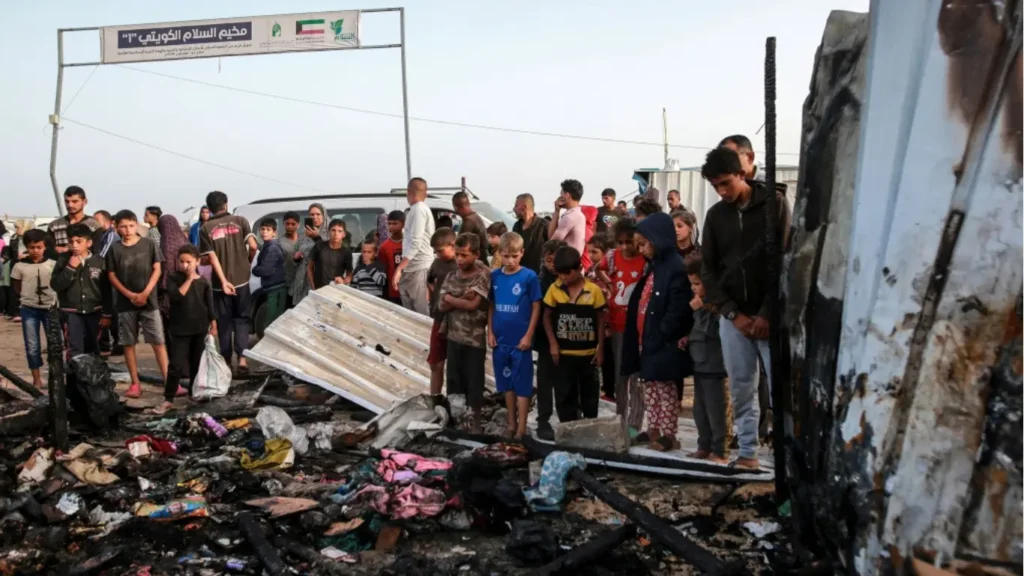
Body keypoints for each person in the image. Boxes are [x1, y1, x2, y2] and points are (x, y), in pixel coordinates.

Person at [700, 146, 790, 470]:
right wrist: (732, 314)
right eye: (716, 186)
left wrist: (767, 313)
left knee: (782, 389)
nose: (722, 192)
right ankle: (748, 453)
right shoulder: (715, 216)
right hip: (734, 318)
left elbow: (783, 261)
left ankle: (787, 458)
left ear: (742, 174)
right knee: (741, 387)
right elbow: (708, 270)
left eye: (726, 183)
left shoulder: (774, 206)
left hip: (772, 317)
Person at [622, 212, 692, 452]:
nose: (640, 249)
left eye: (643, 244)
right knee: (650, 386)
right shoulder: (655, 267)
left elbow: (677, 308)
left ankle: (669, 434)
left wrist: (662, 333)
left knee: (665, 389)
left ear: (658, 239)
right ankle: (654, 428)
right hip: (648, 338)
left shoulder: (675, 267)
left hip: (663, 341)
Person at [106, 210, 169, 398]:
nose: (127, 230)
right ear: (116, 227)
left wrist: (145, 292)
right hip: (125, 304)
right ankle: (135, 383)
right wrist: (129, 294)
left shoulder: (148, 244)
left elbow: (157, 268)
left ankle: (169, 381)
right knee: (128, 343)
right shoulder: (114, 249)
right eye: (123, 226)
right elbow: (111, 275)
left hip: (149, 302)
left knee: (158, 341)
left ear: (136, 225)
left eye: (131, 226)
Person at [542, 246, 606, 422]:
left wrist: (600, 348)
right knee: (564, 394)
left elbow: (601, 320)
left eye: (567, 273)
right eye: (559, 274)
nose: (563, 278)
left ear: (578, 269)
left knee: (590, 394)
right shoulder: (554, 290)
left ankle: (589, 427)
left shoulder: (593, 291)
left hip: (588, 355)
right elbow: (546, 317)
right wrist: (553, 343)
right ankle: (567, 429)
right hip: (563, 355)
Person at [488, 232, 542, 439]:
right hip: (500, 341)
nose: (510, 261)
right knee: (506, 384)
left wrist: (529, 335)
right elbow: (491, 305)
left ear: (522, 254)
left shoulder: (529, 277)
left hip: (520, 342)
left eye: (515, 256)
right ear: (499, 253)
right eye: (506, 256)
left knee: (522, 385)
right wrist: (490, 331)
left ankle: (521, 428)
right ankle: (511, 424)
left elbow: (537, 306)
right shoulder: (495, 277)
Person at [596, 217, 646, 434]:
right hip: (617, 323)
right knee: (620, 376)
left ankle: (634, 425)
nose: (625, 247)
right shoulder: (612, 257)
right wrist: (609, 285)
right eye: (620, 242)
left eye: (629, 242)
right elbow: (598, 269)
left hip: (639, 325)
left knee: (637, 377)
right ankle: (620, 420)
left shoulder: (645, 259)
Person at [199, 191, 258, 374]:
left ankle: (226, 361)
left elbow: (212, 258)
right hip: (242, 280)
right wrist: (247, 262)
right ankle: (242, 359)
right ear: (226, 204)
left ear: (209, 208)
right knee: (242, 320)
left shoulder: (206, 229)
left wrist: (224, 281)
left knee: (224, 322)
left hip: (220, 284)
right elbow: (254, 246)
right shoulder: (241, 221)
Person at [156, 245, 217, 415]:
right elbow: (176, 296)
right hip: (179, 329)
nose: (185, 265)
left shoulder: (204, 282)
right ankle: (168, 398)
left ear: (197, 261)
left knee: (196, 363)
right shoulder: (173, 278)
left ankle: (192, 393)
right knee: (176, 364)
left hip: (199, 328)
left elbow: (209, 305)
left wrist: (213, 323)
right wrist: (189, 279)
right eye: (181, 262)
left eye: (188, 262)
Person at [438, 233, 490, 431]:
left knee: (474, 383)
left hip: (474, 339)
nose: (459, 259)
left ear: (476, 255)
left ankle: (476, 424)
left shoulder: (482, 275)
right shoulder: (452, 275)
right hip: (453, 337)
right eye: (457, 255)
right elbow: (441, 306)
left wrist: (452, 299)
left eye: (465, 255)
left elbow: (474, 304)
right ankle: (458, 422)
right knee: (454, 382)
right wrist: (459, 299)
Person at [682, 252, 730, 464]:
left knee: (717, 411)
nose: (693, 288)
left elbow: (715, 332)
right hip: (700, 366)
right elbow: (700, 331)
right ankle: (704, 445)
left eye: (697, 283)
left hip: (716, 367)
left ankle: (720, 449)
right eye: (691, 283)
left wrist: (701, 311)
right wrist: (688, 338)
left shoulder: (719, 307)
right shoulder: (700, 302)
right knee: (699, 411)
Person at [11, 229, 56, 388]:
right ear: (26, 247)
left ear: (44, 247)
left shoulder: (52, 265)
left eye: (39, 247)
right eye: (31, 247)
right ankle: (36, 379)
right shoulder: (19, 266)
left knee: (54, 345)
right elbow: (16, 287)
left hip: (50, 309)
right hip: (29, 310)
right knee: (32, 345)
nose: (35, 251)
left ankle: (54, 377)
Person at [534, 239, 566, 440]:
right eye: (549, 259)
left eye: (556, 260)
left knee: (566, 381)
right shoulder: (538, 282)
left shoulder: (570, 280)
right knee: (545, 380)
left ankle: (567, 418)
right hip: (544, 339)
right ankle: (543, 420)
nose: (552, 264)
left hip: (567, 337)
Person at [392, 178, 436, 315]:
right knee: (410, 311)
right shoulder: (416, 210)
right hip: (412, 266)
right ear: (426, 194)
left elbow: (416, 242)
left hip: (419, 266)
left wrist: (400, 268)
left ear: (408, 192)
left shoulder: (419, 209)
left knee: (420, 311)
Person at [426, 227, 458, 400]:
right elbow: (430, 280)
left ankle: (455, 400)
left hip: (457, 321)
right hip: (439, 318)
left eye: (440, 251)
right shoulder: (437, 263)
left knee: (455, 366)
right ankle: (435, 398)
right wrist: (438, 297)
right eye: (435, 252)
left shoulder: (460, 264)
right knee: (436, 363)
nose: (437, 254)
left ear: (452, 245)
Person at [47, 186, 103, 258]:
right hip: (60, 266)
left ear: (84, 202)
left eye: (75, 201)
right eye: (67, 201)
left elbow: (95, 251)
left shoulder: (94, 225)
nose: (70, 205)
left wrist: (67, 250)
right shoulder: (54, 226)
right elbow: (48, 250)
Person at [290, 203, 329, 305]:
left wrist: (316, 237)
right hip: (303, 280)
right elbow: (295, 257)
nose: (315, 217)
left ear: (323, 215)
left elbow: (328, 254)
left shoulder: (330, 233)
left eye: (318, 214)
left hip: (320, 279)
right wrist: (296, 257)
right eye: (312, 215)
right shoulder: (303, 235)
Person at [253, 218, 288, 326]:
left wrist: (255, 270)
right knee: (274, 319)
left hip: (275, 289)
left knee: (272, 320)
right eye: (262, 229)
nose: (264, 232)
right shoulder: (268, 245)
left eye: (268, 229)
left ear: (274, 232)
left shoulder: (272, 247)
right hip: (274, 287)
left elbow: (265, 270)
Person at [548, 179, 589, 272]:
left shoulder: (570, 217)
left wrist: (556, 211)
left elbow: (552, 241)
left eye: (561, 193)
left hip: (568, 269)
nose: (559, 196)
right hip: (573, 267)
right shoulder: (578, 215)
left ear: (567, 195)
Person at [308, 219, 352, 289]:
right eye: (333, 230)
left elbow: (349, 275)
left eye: (339, 231)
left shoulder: (347, 252)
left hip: (336, 290)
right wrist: (313, 287)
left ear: (344, 234)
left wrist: (343, 281)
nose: (336, 234)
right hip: (318, 289)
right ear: (328, 232)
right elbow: (309, 267)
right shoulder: (319, 246)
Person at [512, 193, 548, 274]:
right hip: (520, 273)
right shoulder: (516, 226)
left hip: (539, 275)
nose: (514, 208)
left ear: (524, 207)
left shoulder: (543, 225)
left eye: (516, 205)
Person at [452, 191, 490, 265]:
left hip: (476, 262)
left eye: (455, 208)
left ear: (457, 207)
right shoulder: (475, 217)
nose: (455, 211)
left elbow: (460, 245)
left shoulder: (469, 221)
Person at [378, 210, 405, 305]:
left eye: (395, 223)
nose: (392, 226)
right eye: (389, 224)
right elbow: (384, 270)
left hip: (409, 287)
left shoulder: (409, 244)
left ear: (403, 224)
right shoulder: (384, 247)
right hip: (394, 291)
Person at [278, 212, 301, 305]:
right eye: (287, 224)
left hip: (302, 283)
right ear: (283, 224)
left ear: (298, 225)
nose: (290, 226)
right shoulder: (279, 242)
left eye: (293, 224)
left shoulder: (304, 240)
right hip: (286, 284)